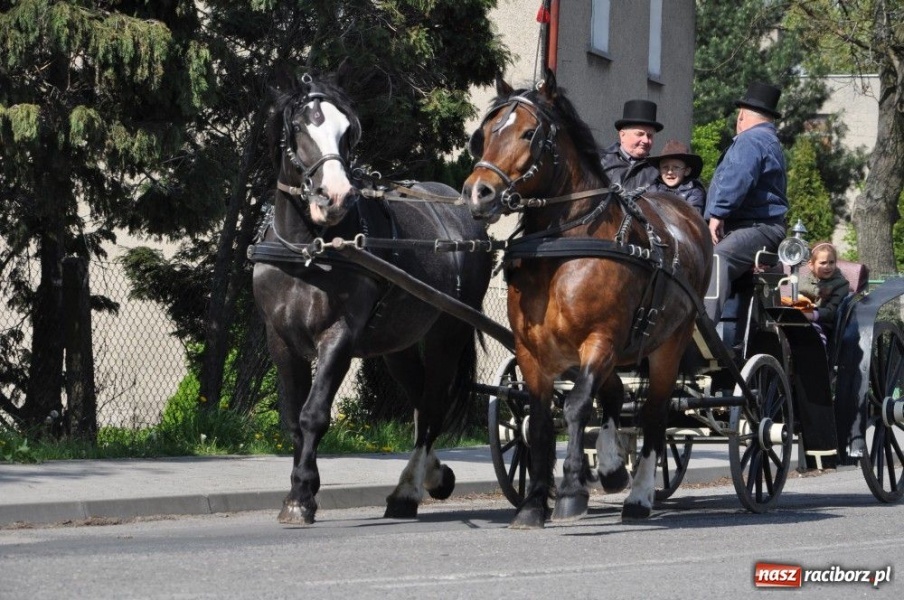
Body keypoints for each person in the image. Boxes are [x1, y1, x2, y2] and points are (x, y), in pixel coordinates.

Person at [703, 82, 789, 325]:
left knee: (719, 257)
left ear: (741, 115)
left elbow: (737, 179)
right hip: (756, 226)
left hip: (759, 227)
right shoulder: (767, 139)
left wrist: (717, 214)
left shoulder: (751, 140)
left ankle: (703, 328)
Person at [599, 99, 662, 191]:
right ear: (622, 135)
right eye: (639, 134)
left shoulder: (657, 171)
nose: (645, 140)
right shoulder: (600, 161)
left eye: (649, 135)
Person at [798, 241, 850, 345]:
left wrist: (811, 315)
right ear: (811, 265)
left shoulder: (841, 284)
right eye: (823, 263)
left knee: (812, 333)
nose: (828, 267)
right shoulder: (803, 281)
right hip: (801, 320)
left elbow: (831, 312)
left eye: (831, 262)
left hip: (826, 325)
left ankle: (819, 358)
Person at [646, 139, 706, 214]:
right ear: (659, 170)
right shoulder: (652, 189)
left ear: (687, 171)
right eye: (665, 167)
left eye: (676, 168)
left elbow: (691, 218)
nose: (670, 172)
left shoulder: (694, 192)